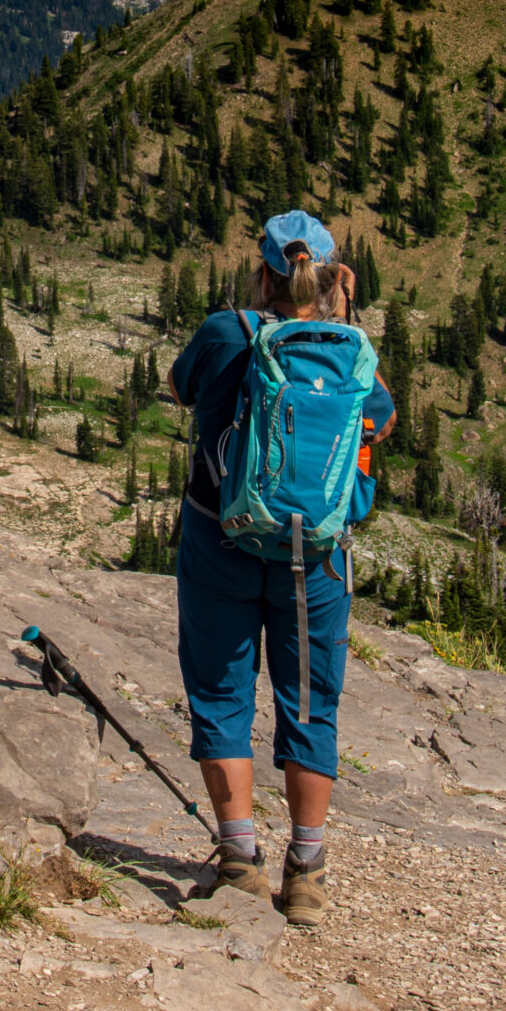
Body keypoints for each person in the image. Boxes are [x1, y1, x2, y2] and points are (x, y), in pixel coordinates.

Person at [168, 210, 393, 928]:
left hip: (221, 540)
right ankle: (306, 871)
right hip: (316, 558)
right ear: (333, 278)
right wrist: (343, 322)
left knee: (221, 689)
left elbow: (181, 388)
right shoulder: (352, 349)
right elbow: (379, 418)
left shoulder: (226, 331)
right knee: (308, 702)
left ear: (262, 272)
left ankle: (238, 858)